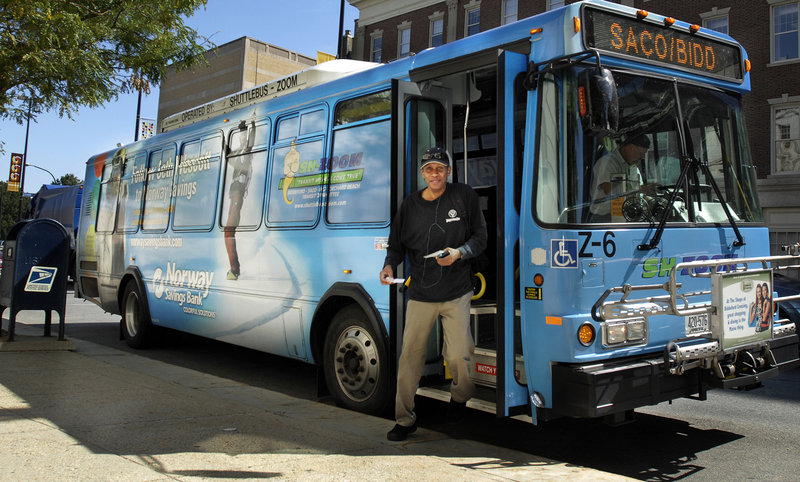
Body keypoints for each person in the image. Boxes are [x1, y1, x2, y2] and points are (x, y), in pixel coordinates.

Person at [380, 146, 487, 442]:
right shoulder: (409, 206)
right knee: (409, 360)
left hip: (456, 292)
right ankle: (404, 419)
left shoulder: (464, 196)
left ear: (449, 172)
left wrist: (459, 253)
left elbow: (480, 238)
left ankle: (460, 399)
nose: (435, 174)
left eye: (440, 168)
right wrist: (389, 266)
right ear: (422, 174)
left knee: (458, 356)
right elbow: (396, 246)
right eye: (429, 169)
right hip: (421, 294)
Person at [589, 134, 654, 222]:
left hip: (627, 212)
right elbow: (609, 191)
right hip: (605, 217)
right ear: (631, 148)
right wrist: (639, 189)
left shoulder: (633, 167)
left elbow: (639, 193)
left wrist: (650, 195)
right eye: (641, 153)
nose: (643, 157)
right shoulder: (607, 163)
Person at [224, 114, 256, 280]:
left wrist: (251, 124)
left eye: (244, 136)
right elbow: (228, 156)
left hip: (238, 191)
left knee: (229, 230)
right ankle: (234, 268)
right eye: (241, 136)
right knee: (229, 231)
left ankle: (235, 270)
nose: (243, 139)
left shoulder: (248, 152)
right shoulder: (238, 152)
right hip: (234, 191)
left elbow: (251, 141)